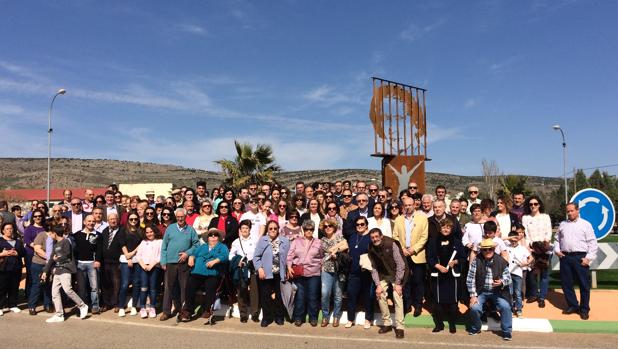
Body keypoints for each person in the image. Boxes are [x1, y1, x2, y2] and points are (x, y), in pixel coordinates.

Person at [554, 203, 598, 320]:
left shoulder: (585, 225)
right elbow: (557, 240)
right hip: (565, 257)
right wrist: (557, 250)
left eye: (572, 211)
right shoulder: (563, 224)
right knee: (566, 283)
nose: (570, 213)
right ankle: (573, 305)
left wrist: (588, 258)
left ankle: (584, 309)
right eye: (568, 211)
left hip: (580, 257)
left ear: (578, 211)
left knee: (584, 284)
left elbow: (593, 243)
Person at [466, 238, 513, 340]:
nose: (487, 251)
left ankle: (507, 331)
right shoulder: (476, 261)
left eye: (490, 249)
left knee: (505, 306)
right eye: (484, 250)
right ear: (481, 250)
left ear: (494, 249)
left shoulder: (501, 261)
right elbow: (470, 279)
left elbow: (508, 278)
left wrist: (501, 282)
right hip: (481, 291)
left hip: (498, 292)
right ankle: (475, 328)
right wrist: (473, 295)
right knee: (474, 308)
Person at [41, 225, 89, 323]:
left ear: (55, 233)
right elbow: (51, 259)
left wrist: (56, 258)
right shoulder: (56, 244)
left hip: (66, 269)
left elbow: (66, 255)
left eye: (51, 233)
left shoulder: (66, 242)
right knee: (54, 293)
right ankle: (59, 315)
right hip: (57, 271)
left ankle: (82, 306)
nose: (50, 235)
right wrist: (45, 271)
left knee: (67, 290)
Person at [179, 229, 229, 323]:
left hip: (212, 273)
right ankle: (188, 310)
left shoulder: (222, 247)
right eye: (211, 235)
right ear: (208, 237)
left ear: (218, 237)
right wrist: (191, 257)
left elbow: (225, 256)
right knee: (189, 286)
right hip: (197, 272)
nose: (213, 236)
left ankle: (207, 310)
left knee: (211, 287)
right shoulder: (202, 247)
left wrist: (215, 261)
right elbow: (194, 253)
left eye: (215, 235)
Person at [368, 228, 408, 339]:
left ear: (381, 236)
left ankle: (400, 327)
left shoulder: (391, 244)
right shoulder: (371, 247)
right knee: (380, 294)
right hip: (383, 274)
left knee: (397, 295)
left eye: (377, 236)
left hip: (397, 273)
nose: (375, 239)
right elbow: (374, 268)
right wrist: (378, 285)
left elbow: (401, 264)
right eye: (372, 237)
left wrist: (398, 283)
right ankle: (387, 324)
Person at [392, 197, 429, 317]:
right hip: (403, 254)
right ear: (403, 206)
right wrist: (402, 248)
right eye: (405, 205)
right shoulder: (398, 219)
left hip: (417, 254)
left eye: (410, 205)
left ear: (414, 205)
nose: (408, 207)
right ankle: (407, 305)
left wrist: (414, 249)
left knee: (418, 281)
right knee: (405, 281)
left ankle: (418, 305)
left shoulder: (422, 218)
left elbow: (424, 236)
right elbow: (395, 236)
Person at [159, 208, 199, 321]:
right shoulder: (170, 228)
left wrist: (187, 253)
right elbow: (164, 246)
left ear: (185, 217)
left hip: (184, 263)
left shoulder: (191, 230)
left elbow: (196, 245)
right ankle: (166, 312)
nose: (180, 218)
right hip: (170, 262)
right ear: (176, 217)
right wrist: (163, 261)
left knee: (184, 288)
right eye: (178, 217)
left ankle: (184, 312)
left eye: (182, 216)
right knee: (168, 287)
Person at [427, 219, 465, 333]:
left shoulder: (457, 242)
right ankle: (439, 325)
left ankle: (452, 324)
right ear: (440, 228)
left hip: (452, 276)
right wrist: (438, 266)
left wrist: (455, 262)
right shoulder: (433, 241)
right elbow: (430, 257)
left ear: (451, 228)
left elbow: (463, 257)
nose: (445, 229)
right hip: (438, 275)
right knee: (438, 302)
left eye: (448, 227)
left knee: (453, 302)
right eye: (443, 227)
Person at [253, 220, 290, 327]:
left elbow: (289, 257)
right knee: (265, 296)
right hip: (266, 273)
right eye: (270, 228)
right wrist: (259, 269)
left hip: (280, 272)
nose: (273, 230)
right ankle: (267, 317)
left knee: (279, 296)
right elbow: (256, 257)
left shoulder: (285, 241)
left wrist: (288, 269)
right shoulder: (263, 241)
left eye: (275, 228)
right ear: (267, 230)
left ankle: (279, 316)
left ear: (278, 229)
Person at [287, 220, 323, 327]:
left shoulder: (318, 242)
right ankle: (298, 317)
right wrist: (289, 267)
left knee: (312, 296)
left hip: (313, 273)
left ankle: (313, 318)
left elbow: (321, 257)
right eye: (306, 229)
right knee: (300, 296)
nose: (309, 231)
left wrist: (319, 266)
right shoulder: (296, 241)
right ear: (303, 230)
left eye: (311, 229)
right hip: (299, 272)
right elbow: (290, 256)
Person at [521, 195, 552, 307]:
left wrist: (546, 242)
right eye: (530, 204)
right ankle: (533, 294)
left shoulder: (545, 217)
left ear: (539, 205)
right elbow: (525, 234)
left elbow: (549, 231)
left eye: (535, 204)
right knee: (532, 274)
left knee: (544, 274)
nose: (533, 206)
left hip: (544, 248)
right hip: (532, 249)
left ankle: (542, 297)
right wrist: (529, 246)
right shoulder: (525, 218)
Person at [344, 216, 375, 329]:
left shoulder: (370, 238)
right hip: (353, 272)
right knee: (351, 296)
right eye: (358, 224)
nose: (360, 226)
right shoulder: (352, 236)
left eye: (362, 224)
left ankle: (368, 319)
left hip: (366, 272)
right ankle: (350, 319)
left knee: (368, 297)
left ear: (366, 225)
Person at [229, 220, 260, 323]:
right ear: (240, 230)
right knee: (241, 291)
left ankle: (255, 314)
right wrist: (238, 262)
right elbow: (231, 256)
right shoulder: (236, 242)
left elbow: (259, 253)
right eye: (243, 228)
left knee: (254, 292)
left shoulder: (256, 240)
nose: (245, 230)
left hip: (252, 268)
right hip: (241, 269)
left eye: (247, 228)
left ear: (250, 229)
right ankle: (243, 314)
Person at [319, 218, 347, 327]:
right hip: (326, 269)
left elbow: (346, 245)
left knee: (338, 295)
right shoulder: (322, 240)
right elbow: (329, 250)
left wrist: (336, 250)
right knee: (325, 294)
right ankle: (325, 316)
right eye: (325, 227)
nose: (328, 228)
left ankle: (336, 316)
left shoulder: (340, 237)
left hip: (339, 269)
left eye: (330, 226)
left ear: (334, 227)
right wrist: (338, 247)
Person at [96, 213, 125, 313]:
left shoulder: (122, 230)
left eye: (115, 219)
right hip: (105, 261)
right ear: (108, 221)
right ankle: (106, 303)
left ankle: (116, 303)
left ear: (118, 220)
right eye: (111, 219)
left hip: (116, 262)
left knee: (116, 283)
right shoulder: (104, 231)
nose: (113, 221)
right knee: (105, 283)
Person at [73, 215, 101, 314]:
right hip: (80, 264)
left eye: (93, 221)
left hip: (92, 264)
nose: (91, 223)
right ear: (84, 222)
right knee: (81, 288)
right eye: (89, 221)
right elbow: (74, 250)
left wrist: (97, 260)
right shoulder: (76, 235)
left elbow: (99, 249)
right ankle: (83, 306)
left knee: (94, 287)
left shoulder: (98, 235)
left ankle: (95, 306)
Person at [118, 213, 143, 317]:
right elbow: (122, 244)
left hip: (137, 260)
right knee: (124, 284)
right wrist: (128, 256)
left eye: (136, 219)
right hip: (125, 259)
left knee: (136, 283)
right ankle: (121, 307)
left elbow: (142, 244)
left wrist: (132, 255)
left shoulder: (141, 231)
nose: (133, 221)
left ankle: (133, 306)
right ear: (128, 220)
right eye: (131, 219)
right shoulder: (123, 230)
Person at [135, 225, 162, 319]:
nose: (149, 234)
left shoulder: (159, 242)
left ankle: (152, 307)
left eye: (151, 232)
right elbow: (138, 255)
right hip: (144, 267)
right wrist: (143, 265)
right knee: (143, 288)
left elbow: (160, 255)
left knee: (153, 289)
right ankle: (142, 307)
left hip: (154, 267)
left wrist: (152, 265)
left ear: (154, 232)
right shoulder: (143, 242)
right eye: (147, 232)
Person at [28, 221, 54, 315]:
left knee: (48, 285)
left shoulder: (55, 236)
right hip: (39, 264)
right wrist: (49, 258)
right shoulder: (41, 235)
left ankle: (47, 304)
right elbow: (37, 249)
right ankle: (32, 306)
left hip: (50, 265)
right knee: (37, 285)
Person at [0, 222, 26, 315]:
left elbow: (23, 252)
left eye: (11, 228)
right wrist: (3, 254)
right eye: (7, 229)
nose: (9, 230)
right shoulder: (0, 240)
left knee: (14, 287)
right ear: (3, 230)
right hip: (3, 268)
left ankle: (13, 305)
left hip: (16, 268)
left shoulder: (18, 241)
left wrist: (17, 253)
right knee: (2, 287)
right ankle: (1, 306)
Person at [506, 229, 532, 318]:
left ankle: (519, 310)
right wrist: (509, 237)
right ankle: (511, 309)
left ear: (518, 239)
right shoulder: (506, 247)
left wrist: (526, 263)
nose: (513, 242)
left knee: (517, 293)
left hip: (518, 274)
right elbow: (498, 239)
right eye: (511, 240)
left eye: (515, 240)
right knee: (510, 292)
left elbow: (531, 258)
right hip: (508, 273)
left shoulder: (522, 248)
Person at [23, 209, 47, 301]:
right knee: (31, 275)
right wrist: (37, 247)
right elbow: (27, 240)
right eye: (35, 216)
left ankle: (41, 296)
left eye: (39, 216)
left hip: (44, 255)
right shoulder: (29, 228)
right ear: (33, 217)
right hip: (31, 254)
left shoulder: (45, 228)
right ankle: (29, 295)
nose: (38, 218)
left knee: (44, 275)